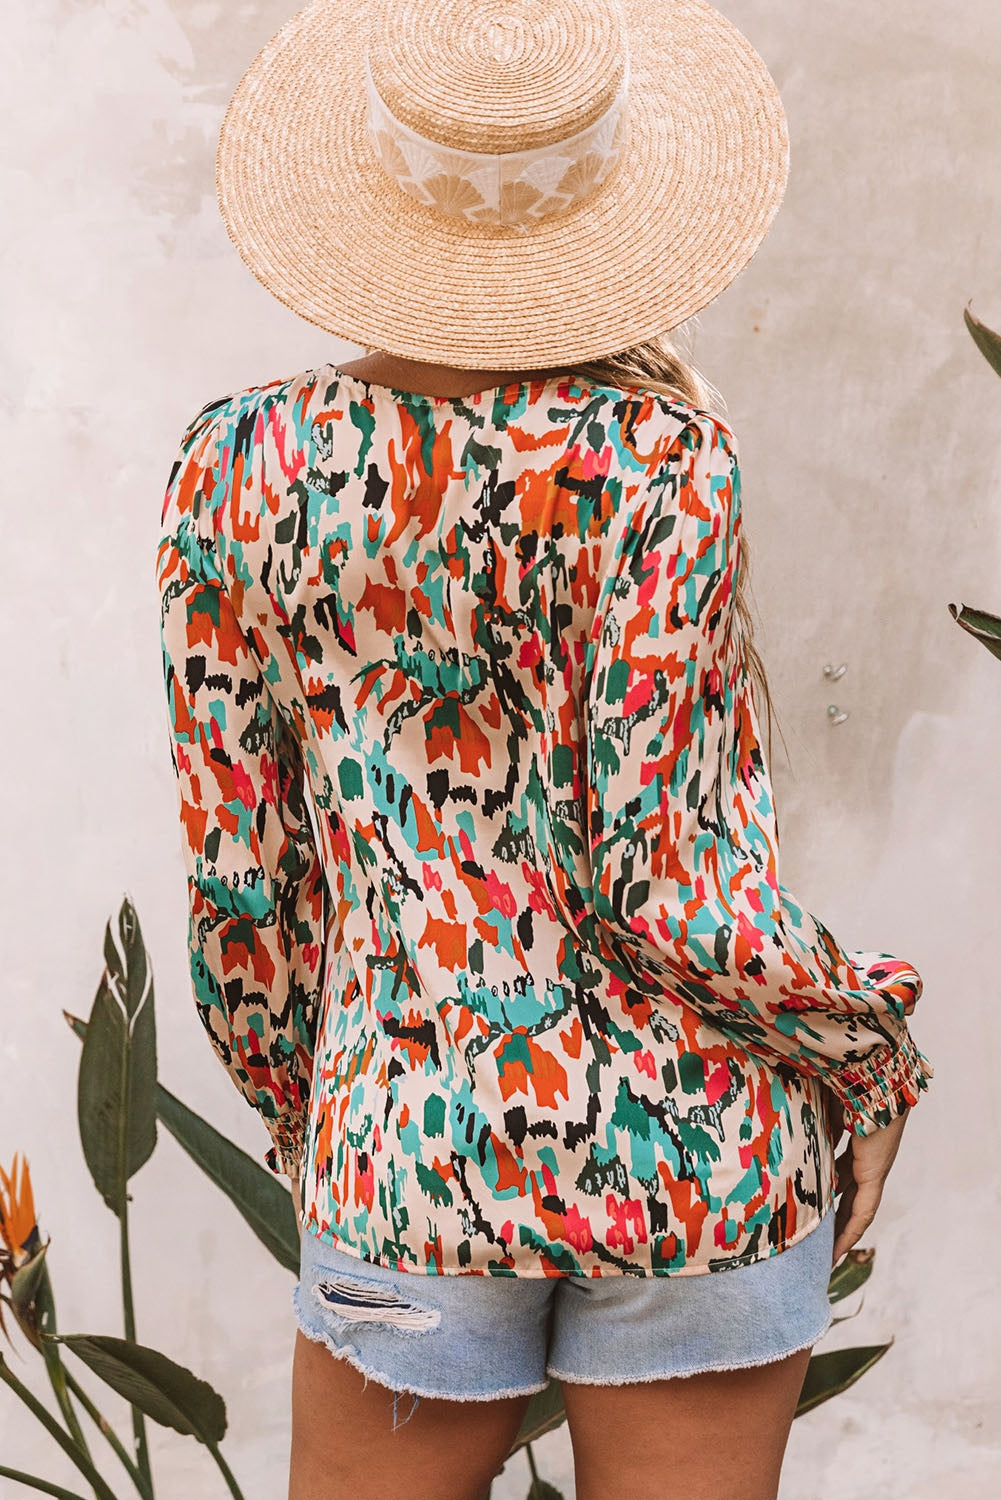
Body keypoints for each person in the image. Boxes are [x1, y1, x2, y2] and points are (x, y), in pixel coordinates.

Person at [155, 2, 933, 1496]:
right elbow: (668, 890)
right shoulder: (663, 464)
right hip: (691, 1157)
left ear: (371, 197)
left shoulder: (237, 466)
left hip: (407, 1143)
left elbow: (243, 889)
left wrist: (329, 1121)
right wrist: (868, 1054)